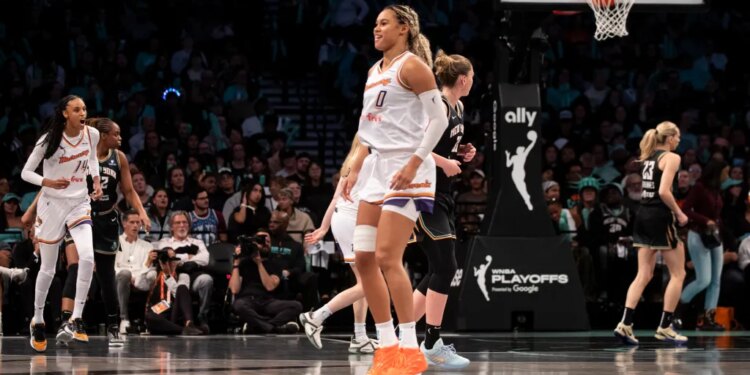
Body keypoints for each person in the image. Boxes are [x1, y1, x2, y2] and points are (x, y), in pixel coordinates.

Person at [341, 5, 449, 374]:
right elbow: (367, 128)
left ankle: (410, 347)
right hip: (376, 168)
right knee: (365, 259)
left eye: (383, 23)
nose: (376, 29)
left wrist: (416, 161)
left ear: (403, 28)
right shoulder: (375, 71)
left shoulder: (413, 66)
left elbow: (439, 119)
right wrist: (354, 166)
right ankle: (386, 346)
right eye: (375, 24)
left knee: (388, 257)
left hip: (407, 168)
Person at [21, 95, 103, 352]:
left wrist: (96, 181)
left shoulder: (91, 134)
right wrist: (47, 182)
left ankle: (76, 317)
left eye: (85, 109)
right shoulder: (49, 140)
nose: (83, 112)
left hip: (79, 203)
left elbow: (91, 160)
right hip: (52, 204)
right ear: (66, 114)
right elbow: (26, 172)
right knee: (48, 268)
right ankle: (37, 319)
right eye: (77, 109)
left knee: (87, 257)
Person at [411, 50, 475, 369]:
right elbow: (414, 144)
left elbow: (443, 143)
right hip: (425, 192)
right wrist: (443, 161)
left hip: (445, 194)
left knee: (441, 267)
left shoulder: (459, 107)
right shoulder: (434, 103)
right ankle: (432, 341)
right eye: (472, 77)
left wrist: (462, 151)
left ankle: (404, 334)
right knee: (446, 266)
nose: (473, 82)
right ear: (463, 79)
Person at [299, 136, 379, 354]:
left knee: (363, 282)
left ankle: (360, 338)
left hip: (342, 219)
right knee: (371, 283)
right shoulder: (371, 159)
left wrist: (324, 228)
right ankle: (316, 317)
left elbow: (335, 199)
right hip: (354, 221)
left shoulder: (352, 160)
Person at [614, 121, 689, 345]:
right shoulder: (672, 158)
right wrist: (679, 213)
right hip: (659, 216)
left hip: (643, 216)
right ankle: (665, 326)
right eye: (677, 137)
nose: (679, 141)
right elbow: (664, 191)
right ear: (669, 138)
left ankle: (625, 325)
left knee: (643, 274)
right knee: (679, 274)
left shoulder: (648, 157)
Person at [88, 117, 153, 346]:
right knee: (79, 269)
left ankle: (114, 325)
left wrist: (142, 213)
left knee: (107, 279)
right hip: (83, 219)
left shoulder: (119, 158)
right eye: (116, 134)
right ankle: (70, 321)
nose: (120, 138)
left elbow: (128, 191)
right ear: (104, 136)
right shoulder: (83, 155)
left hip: (106, 220)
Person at [678, 160, 727, 330]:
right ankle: (675, 310)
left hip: (714, 237)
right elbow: (686, 209)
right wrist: (706, 220)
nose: (726, 175)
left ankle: (708, 319)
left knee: (715, 281)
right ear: (716, 172)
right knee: (703, 280)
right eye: (724, 172)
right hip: (698, 235)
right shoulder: (699, 187)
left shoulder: (716, 190)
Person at [229, 229, 302, 334]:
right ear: (254, 243)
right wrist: (236, 263)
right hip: (248, 300)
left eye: (268, 242)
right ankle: (273, 327)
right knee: (238, 305)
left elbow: (270, 286)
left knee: (296, 306)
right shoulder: (244, 263)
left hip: (268, 301)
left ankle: (256, 326)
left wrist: (259, 263)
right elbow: (234, 290)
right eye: (261, 241)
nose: (265, 244)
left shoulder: (276, 264)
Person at [115, 210, 157, 335]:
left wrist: (136, 276)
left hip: (140, 280)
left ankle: (149, 319)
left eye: (137, 222)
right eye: (131, 222)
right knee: (124, 274)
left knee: (152, 275)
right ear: (124, 223)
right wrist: (129, 275)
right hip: (119, 278)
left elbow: (147, 268)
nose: (135, 226)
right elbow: (113, 266)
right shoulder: (116, 242)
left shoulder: (147, 246)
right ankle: (124, 319)